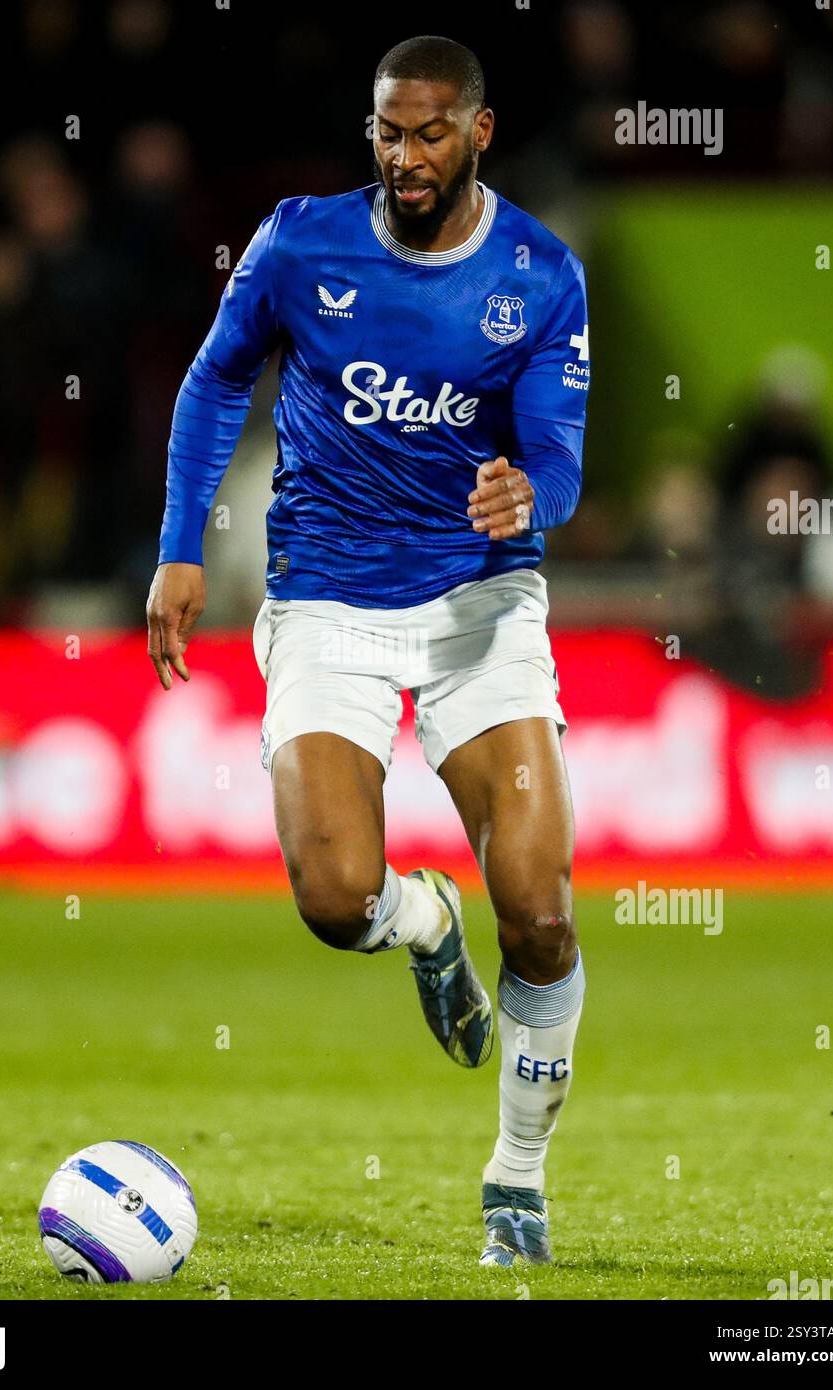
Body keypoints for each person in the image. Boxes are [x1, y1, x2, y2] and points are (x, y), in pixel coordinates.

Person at [146, 35, 589, 1268]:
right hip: (328, 602)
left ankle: (515, 1177)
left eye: (431, 132)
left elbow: (558, 451)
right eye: (389, 132)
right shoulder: (300, 241)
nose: (406, 156)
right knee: (336, 901)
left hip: (479, 614)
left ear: (479, 134)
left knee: (543, 915)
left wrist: (527, 493)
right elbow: (211, 381)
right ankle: (417, 919)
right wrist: (182, 546)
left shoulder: (540, 272)